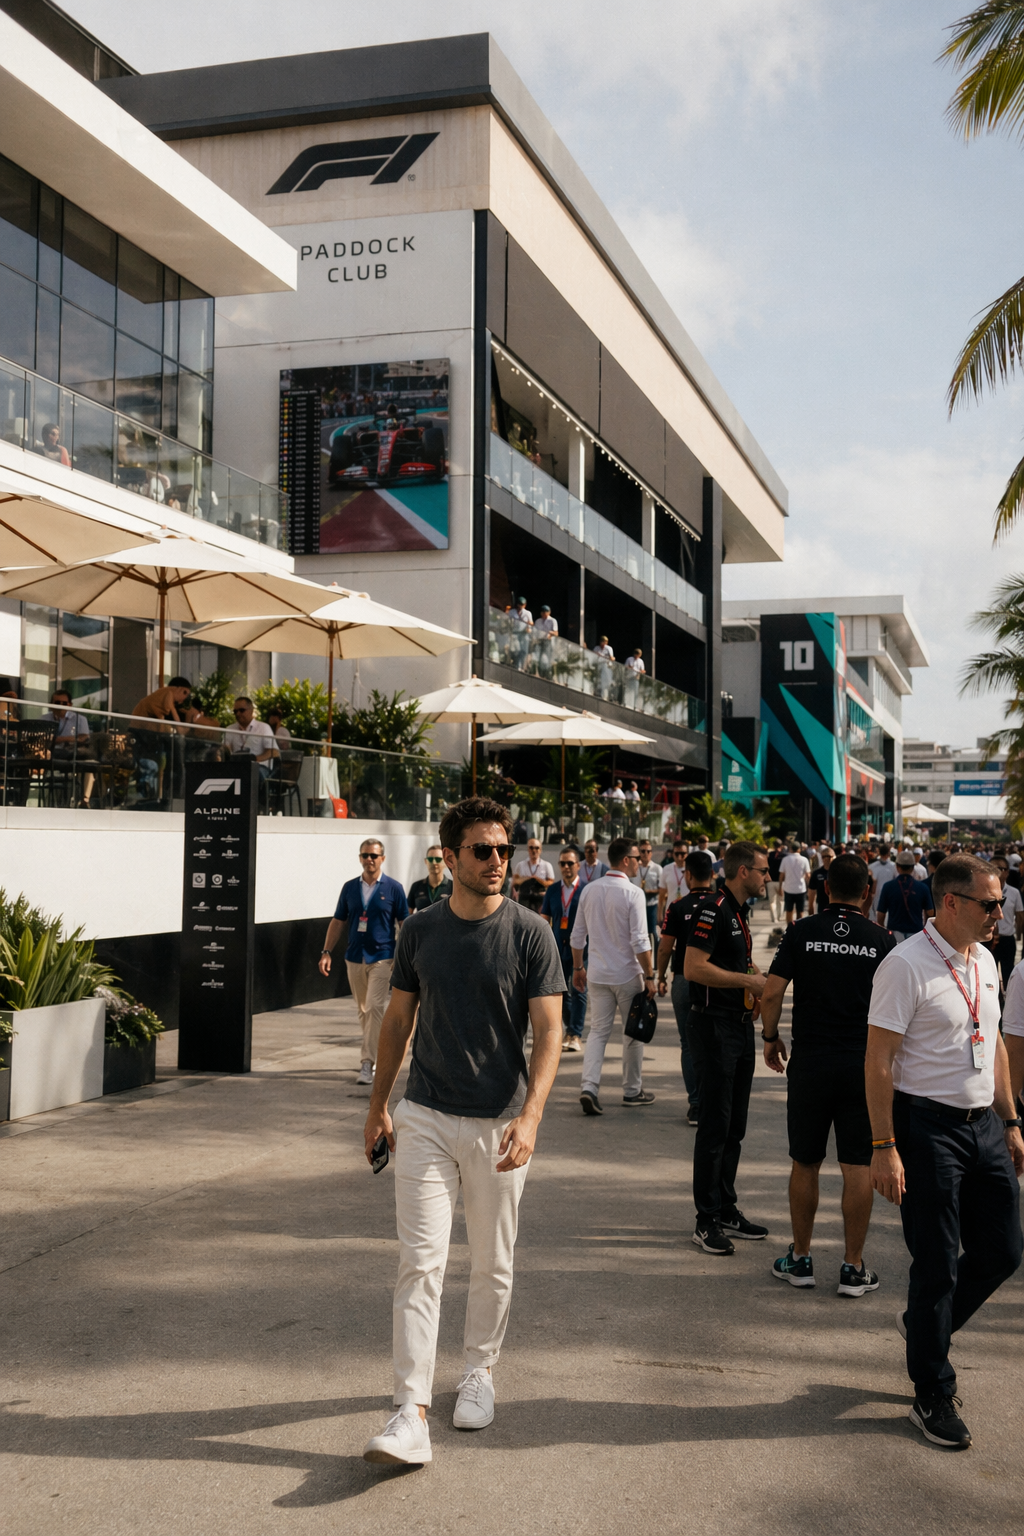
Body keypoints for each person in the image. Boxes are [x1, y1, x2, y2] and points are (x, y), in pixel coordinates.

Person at [360, 798, 564, 1466]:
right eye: (483, 850)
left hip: (500, 1123)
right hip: (423, 1115)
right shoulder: (419, 930)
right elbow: (396, 1021)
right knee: (420, 1261)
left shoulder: (531, 931)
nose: (498, 861)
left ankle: (479, 1370)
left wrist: (531, 1116)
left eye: (504, 849)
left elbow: (551, 1031)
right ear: (451, 858)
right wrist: (379, 1106)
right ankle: (410, 1410)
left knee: (491, 1261)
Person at [866, 853, 1024, 1450]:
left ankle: (923, 1332)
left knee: (1004, 1250)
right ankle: (931, 1388)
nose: (999, 914)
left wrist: (1010, 1120)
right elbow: (877, 1059)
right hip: (926, 1127)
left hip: (983, 1122)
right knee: (937, 1263)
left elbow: (997, 1045)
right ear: (951, 903)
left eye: (1001, 902)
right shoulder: (905, 965)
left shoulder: (984, 959)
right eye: (989, 904)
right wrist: (884, 1145)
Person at [760, 854, 897, 1293]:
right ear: (868, 891)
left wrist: (770, 1036)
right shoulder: (883, 940)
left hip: (812, 1064)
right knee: (857, 1164)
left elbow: (771, 992)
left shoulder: (802, 931)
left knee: (806, 1160)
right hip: (863, 1066)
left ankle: (800, 1259)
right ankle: (853, 1268)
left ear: (822, 889)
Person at [683, 840, 772, 1253]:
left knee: (734, 1126)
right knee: (715, 1128)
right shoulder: (712, 908)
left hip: (739, 1028)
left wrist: (752, 978)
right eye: (762, 870)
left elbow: (733, 963)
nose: (767, 877)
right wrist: (747, 982)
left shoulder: (738, 911)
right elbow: (693, 967)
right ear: (742, 872)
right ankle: (706, 1220)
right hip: (714, 1029)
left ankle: (725, 1208)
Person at [571, 836, 656, 1114]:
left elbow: (577, 937)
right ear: (626, 860)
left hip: (597, 974)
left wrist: (577, 968)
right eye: (637, 857)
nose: (640, 861)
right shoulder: (633, 893)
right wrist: (651, 975)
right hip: (628, 975)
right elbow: (641, 942)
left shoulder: (589, 890)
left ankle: (589, 1087)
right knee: (632, 1035)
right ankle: (632, 1091)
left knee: (597, 1033)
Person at [319, 838, 409, 1086]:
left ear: (383, 859)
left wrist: (403, 955)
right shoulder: (349, 888)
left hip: (383, 957)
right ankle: (376, 1050)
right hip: (354, 956)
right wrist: (327, 951)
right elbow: (338, 921)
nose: (370, 859)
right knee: (363, 1011)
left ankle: (367, 1063)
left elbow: (405, 923)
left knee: (374, 1008)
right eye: (365, 855)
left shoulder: (394, 888)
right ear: (360, 858)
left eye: (374, 856)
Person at [657, 849, 715, 1126]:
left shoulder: (677, 906)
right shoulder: (722, 904)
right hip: (718, 981)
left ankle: (695, 1104)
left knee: (688, 1043)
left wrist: (659, 975)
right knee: (717, 1040)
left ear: (687, 875)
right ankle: (715, 1101)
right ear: (713, 874)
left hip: (683, 979)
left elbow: (665, 947)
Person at [541, 847, 586, 1050]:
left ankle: (576, 1034)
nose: (566, 867)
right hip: (558, 946)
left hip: (581, 948)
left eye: (570, 863)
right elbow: (545, 919)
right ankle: (569, 1029)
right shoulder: (553, 889)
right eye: (562, 863)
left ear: (578, 865)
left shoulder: (586, 889)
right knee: (561, 989)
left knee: (579, 989)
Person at [44, 688, 94, 807]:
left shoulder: (80, 720)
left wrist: (57, 740)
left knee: (90, 764)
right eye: (57, 703)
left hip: (72, 755)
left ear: (70, 705)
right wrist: (71, 738)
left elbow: (84, 740)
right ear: (51, 705)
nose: (60, 706)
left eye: (64, 703)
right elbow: (43, 740)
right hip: (52, 755)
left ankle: (84, 801)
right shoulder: (44, 719)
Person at [876, 850, 934, 942]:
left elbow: (880, 913)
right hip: (916, 933)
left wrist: (883, 930)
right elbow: (930, 912)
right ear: (913, 867)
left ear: (897, 867)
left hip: (894, 933)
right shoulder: (923, 888)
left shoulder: (888, 886)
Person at [987, 854, 1023, 990]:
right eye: (990, 869)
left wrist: (1019, 937)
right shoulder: (982, 892)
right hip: (988, 940)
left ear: (1007, 872)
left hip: (1007, 939)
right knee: (989, 977)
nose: (994, 872)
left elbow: (1019, 916)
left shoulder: (1014, 893)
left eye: (999, 869)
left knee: (1009, 975)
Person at [224, 696, 277, 779]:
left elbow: (274, 752)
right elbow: (225, 749)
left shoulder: (263, 727)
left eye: (241, 710)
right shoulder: (230, 729)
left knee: (253, 774)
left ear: (251, 710)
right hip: (236, 767)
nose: (238, 714)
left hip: (260, 768)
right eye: (235, 711)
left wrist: (254, 759)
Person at [632, 839, 663, 944]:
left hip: (651, 904)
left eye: (648, 851)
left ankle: (655, 959)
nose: (645, 854)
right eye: (643, 851)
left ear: (651, 853)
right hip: (637, 905)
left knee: (653, 933)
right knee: (639, 933)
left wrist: (651, 891)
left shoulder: (657, 868)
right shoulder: (635, 867)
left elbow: (662, 889)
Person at [407, 845, 453, 911]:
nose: (434, 863)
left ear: (445, 862)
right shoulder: (416, 886)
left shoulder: (453, 887)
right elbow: (408, 914)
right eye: (430, 859)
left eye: (438, 859)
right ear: (426, 861)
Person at [779, 840, 811, 925]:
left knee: (789, 911)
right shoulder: (804, 860)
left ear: (791, 849)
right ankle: (798, 929)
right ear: (799, 849)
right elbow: (808, 875)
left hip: (788, 888)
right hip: (801, 888)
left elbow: (781, 875)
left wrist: (780, 887)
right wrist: (809, 887)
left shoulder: (785, 859)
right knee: (800, 911)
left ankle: (789, 929)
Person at [659, 840, 688, 921]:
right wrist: (659, 915)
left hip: (688, 913)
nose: (679, 857)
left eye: (682, 854)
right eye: (676, 854)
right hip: (671, 912)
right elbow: (661, 895)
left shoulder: (692, 869)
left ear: (687, 854)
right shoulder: (666, 869)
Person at [868, 843, 897, 920]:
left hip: (876, 898)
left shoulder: (871, 867)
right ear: (889, 853)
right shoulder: (894, 867)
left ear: (879, 852)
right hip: (889, 897)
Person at [806, 844, 834, 915]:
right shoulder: (817, 873)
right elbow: (812, 891)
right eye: (825, 856)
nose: (827, 859)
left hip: (835, 906)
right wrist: (810, 906)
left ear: (833, 857)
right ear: (821, 858)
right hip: (822, 905)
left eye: (829, 856)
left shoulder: (839, 872)